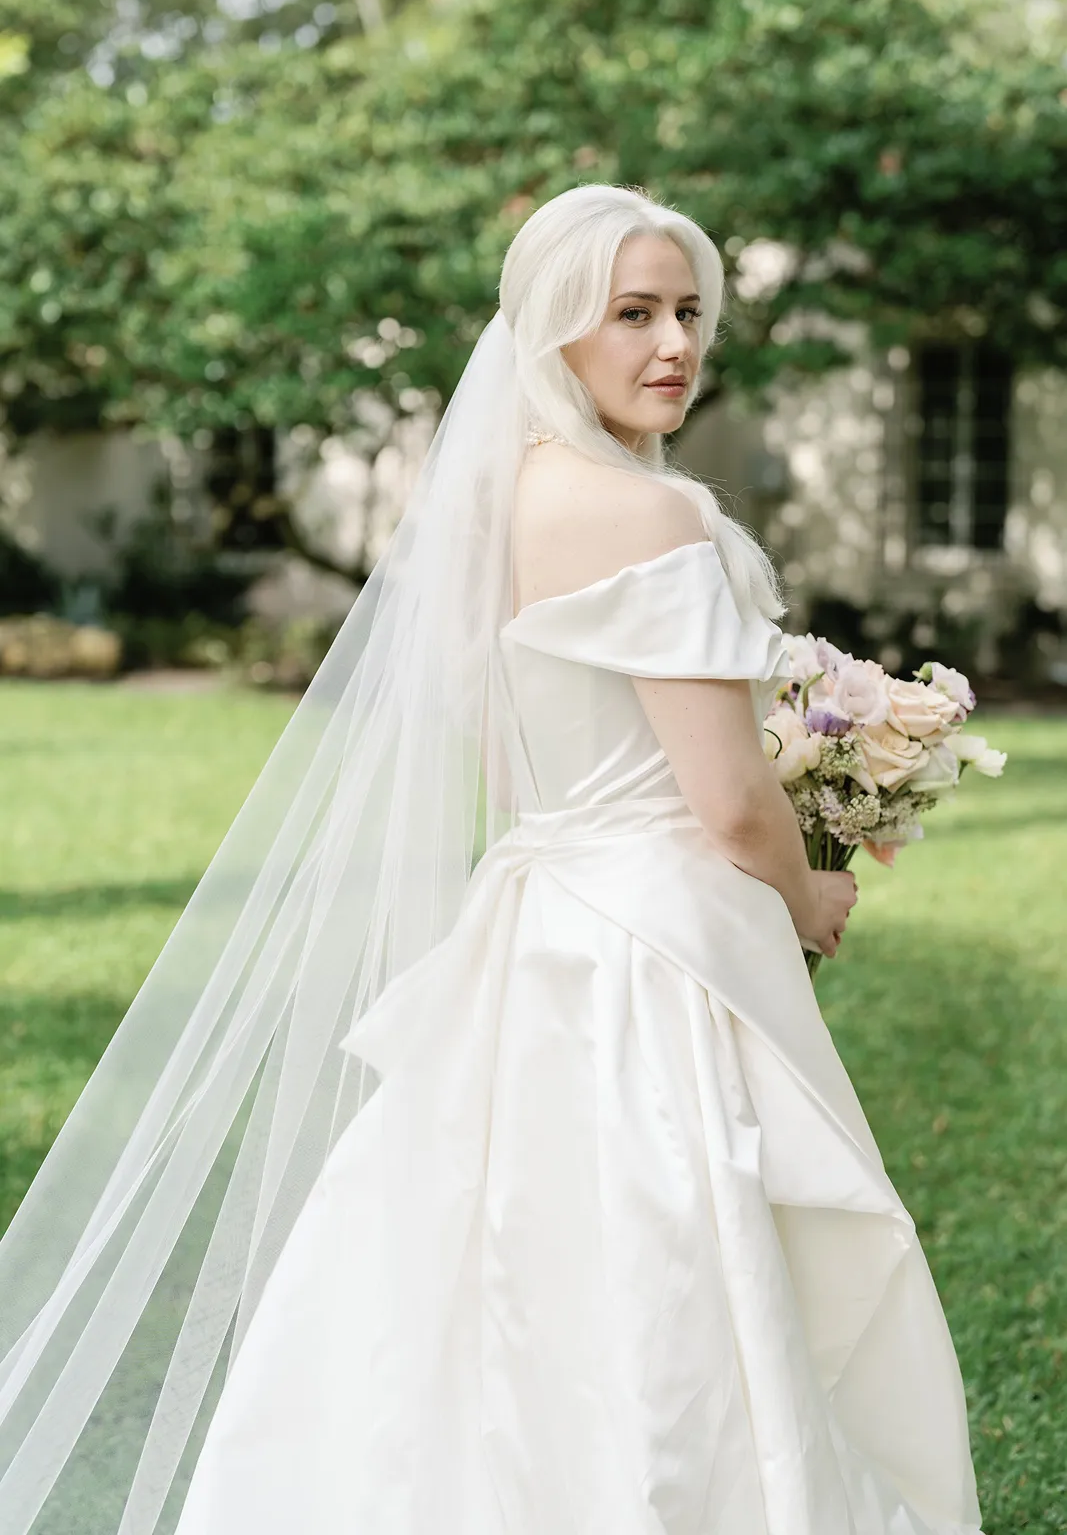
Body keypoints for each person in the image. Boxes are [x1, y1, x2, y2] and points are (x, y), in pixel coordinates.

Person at [0, 185, 983, 1534]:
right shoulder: (651, 516)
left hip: (533, 923)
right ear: (550, 334)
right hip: (652, 948)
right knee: (664, 1270)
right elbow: (733, 809)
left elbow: (511, 764)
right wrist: (810, 886)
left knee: (486, 1268)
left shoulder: (486, 508)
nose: (673, 344)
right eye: (630, 314)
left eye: (688, 312)